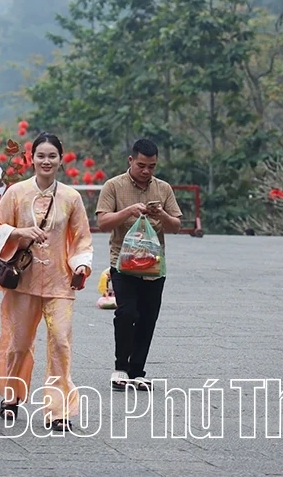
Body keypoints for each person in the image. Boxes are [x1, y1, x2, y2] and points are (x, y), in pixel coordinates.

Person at [0, 132, 94, 431]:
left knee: (60, 341)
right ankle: (11, 396)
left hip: (60, 281)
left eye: (52, 156)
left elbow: (82, 239)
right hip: (23, 281)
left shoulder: (71, 198)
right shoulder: (16, 193)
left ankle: (58, 410)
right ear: (31, 159)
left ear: (60, 159)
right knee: (19, 343)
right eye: (41, 156)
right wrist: (19, 233)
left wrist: (81, 265)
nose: (46, 161)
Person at [95, 138, 182, 391]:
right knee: (127, 313)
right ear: (131, 160)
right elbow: (103, 223)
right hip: (122, 263)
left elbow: (176, 226)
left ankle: (137, 372)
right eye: (141, 165)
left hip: (154, 266)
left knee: (147, 318)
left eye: (152, 166)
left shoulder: (163, 188)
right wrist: (129, 211)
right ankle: (120, 367)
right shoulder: (113, 186)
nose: (146, 171)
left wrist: (161, 214)